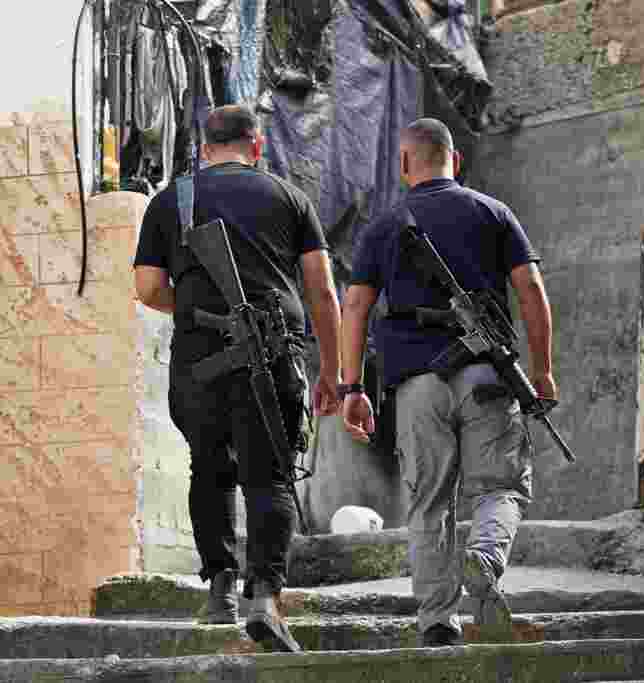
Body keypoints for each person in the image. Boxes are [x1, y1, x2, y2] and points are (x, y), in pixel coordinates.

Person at [133, 104, 342, 653]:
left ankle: (220, 589)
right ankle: (266, 597)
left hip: (198, 363)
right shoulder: (289, 198)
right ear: (258, 145)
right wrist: (337, 374)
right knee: (270, 476)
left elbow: (148, 287)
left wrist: (199, 312)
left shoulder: (169, 200)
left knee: (210, 467)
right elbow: (321, 289)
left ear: (204, 149)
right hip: (273, 358)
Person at [340, 118, 556, 647]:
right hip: (488, 375)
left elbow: (356, 305)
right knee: (501, 486)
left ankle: (438, 620)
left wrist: (352, 387)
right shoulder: (493, 213)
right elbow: (530, 289)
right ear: (455, 161)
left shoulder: (384, 226)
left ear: (405, 164)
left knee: (430, 503)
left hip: (417, 386)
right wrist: (543, 368)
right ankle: (485, 555)